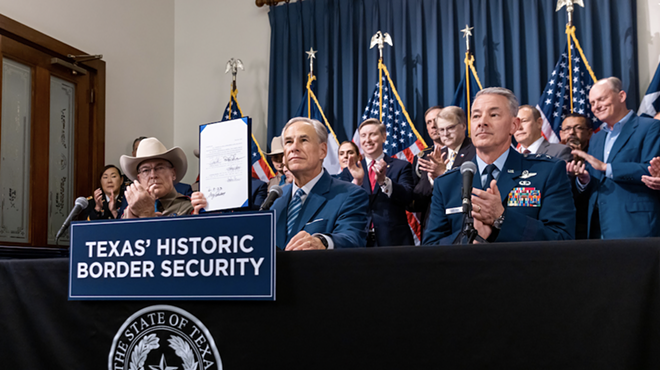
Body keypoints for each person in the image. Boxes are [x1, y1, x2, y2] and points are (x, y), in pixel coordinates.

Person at [423, 87, 575, 245]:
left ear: (514, 126)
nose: (482, 122)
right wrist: (470, 238)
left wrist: (502, 219)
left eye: (494, 115)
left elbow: (561, 239)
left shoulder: (547, 172)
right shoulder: (447, 183)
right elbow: (431, 248)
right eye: (476, 116)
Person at [567, 77, 660, 239]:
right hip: (597, 226)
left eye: (601, 99)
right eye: (592, 103)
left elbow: (651, 170)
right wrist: (584, 179)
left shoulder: (650, 127)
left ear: (621, 96)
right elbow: (596, 176)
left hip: (633, 225)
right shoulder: (596, 137)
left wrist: (607, 168)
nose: (596, 106)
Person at [271, 117, 369, 250]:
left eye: (303, 140)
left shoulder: (350, 195)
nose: (294, 147)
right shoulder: (276, 201)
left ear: (322, 151)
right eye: (288, 142)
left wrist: (323, 241)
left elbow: (352, 238)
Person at [340, 118, 414, 247]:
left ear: (384, 137)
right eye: (363, 136)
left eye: (372, 134)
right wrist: (356, 182)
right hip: (360, 242)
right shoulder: (349, 171)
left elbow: (408, 197)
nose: (367, 140)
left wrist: (384, 182)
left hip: (394, 242)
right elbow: (342, 204)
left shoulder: (401, 166)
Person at [409, 106, 475, 237]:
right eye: (441, 129)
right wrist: (432, 179)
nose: (445, 134)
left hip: (464, 226)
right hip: (437, 228)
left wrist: (443, 175)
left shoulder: (476, 151)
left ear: (463, 126)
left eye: (450, 128)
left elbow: (476, 188)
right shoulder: (434, 156)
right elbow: (420, 196)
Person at [120, 137, 205, 218]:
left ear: (173, 173)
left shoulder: (191, 208)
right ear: (139, 179)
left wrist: (146, 214)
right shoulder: (131, 211)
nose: (153, 175)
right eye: (146, 170)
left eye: (160, 168)